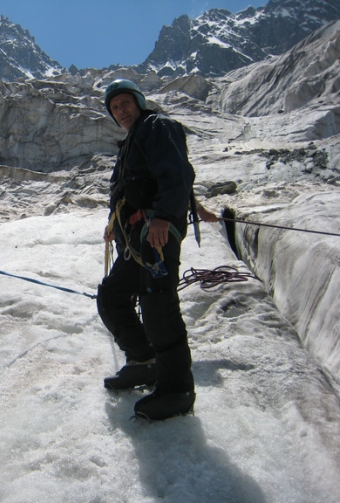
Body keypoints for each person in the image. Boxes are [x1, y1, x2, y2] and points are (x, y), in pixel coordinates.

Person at [97, 79, 200, 421]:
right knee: (112, 296)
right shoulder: (131, 142)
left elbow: (177, 173)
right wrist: (115, 221)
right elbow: (129, 190)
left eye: (125, 103)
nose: (120, 111)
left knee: (158, 306)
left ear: (139, 102)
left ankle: (177, 389)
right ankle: (143, 361)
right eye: (114, 108)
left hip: (157, 232)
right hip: (135, 237)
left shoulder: (158, 126)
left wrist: (166, 216)